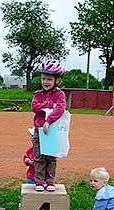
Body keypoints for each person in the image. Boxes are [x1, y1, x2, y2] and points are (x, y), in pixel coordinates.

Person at [31, 59, 66, 192]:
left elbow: (60, 109)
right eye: (43, 78)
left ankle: (50, 180)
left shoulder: (60, 94)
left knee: (51, 157)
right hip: (39, 130)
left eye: (49, 79)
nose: (45, 82)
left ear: (57, 80)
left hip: (52, 131)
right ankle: (39, 181)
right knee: (39, 157)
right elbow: (34, 107)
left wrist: (49, 120)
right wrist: (49, 105)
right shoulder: (38, 94)